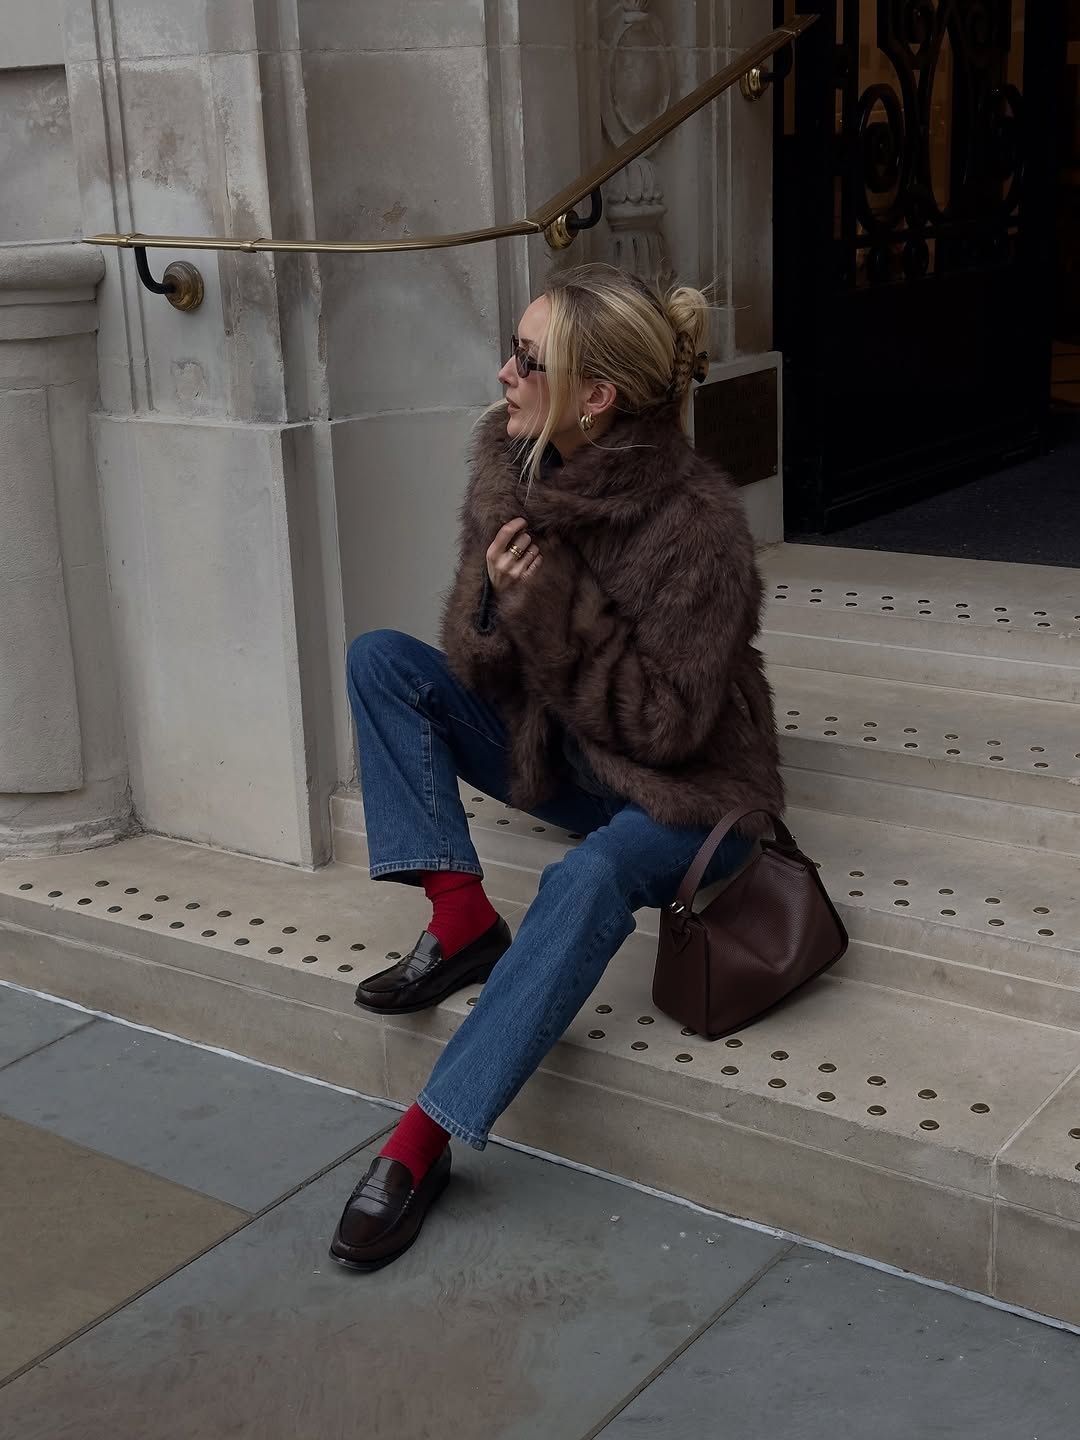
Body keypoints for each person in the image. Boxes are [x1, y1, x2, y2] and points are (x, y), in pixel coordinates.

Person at [330, 263, 783, 1271]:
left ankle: (424, 1138)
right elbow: (470, 666)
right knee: (381, 663)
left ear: (597, 395)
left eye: (527, 359)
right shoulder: (513, 464)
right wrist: (493, 604)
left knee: (589, 876)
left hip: (688, 793)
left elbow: (667, 729)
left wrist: (550, 613)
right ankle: (460, 923)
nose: (502, 373)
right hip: (572, 760)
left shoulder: (695, 527)